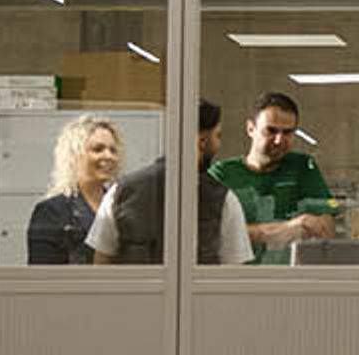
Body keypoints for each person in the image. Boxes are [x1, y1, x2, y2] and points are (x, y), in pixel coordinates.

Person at [93, 101, 250, 266]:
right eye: (217, 136)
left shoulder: (121, 190)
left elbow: (102, 262)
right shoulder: (223, 199)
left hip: (133, 292)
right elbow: (233, 272)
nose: (219, 144)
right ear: (202, 141)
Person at [209, 92, 340, 265]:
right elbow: (210, 234)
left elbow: (328, 222)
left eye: (287, 132)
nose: (279, 140)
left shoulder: (303, 167)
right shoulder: (223, 174)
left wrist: (320, 223)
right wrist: (281, 230)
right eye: (271, 131)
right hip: (236, 280)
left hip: (288, 280)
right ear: (250, 129)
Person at [26, 114, 123, 265]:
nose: (108, 156)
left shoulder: (121, 205)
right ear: (74, 155)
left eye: (113, 150)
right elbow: (44, 278)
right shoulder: (50, 212)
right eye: (98, 149)